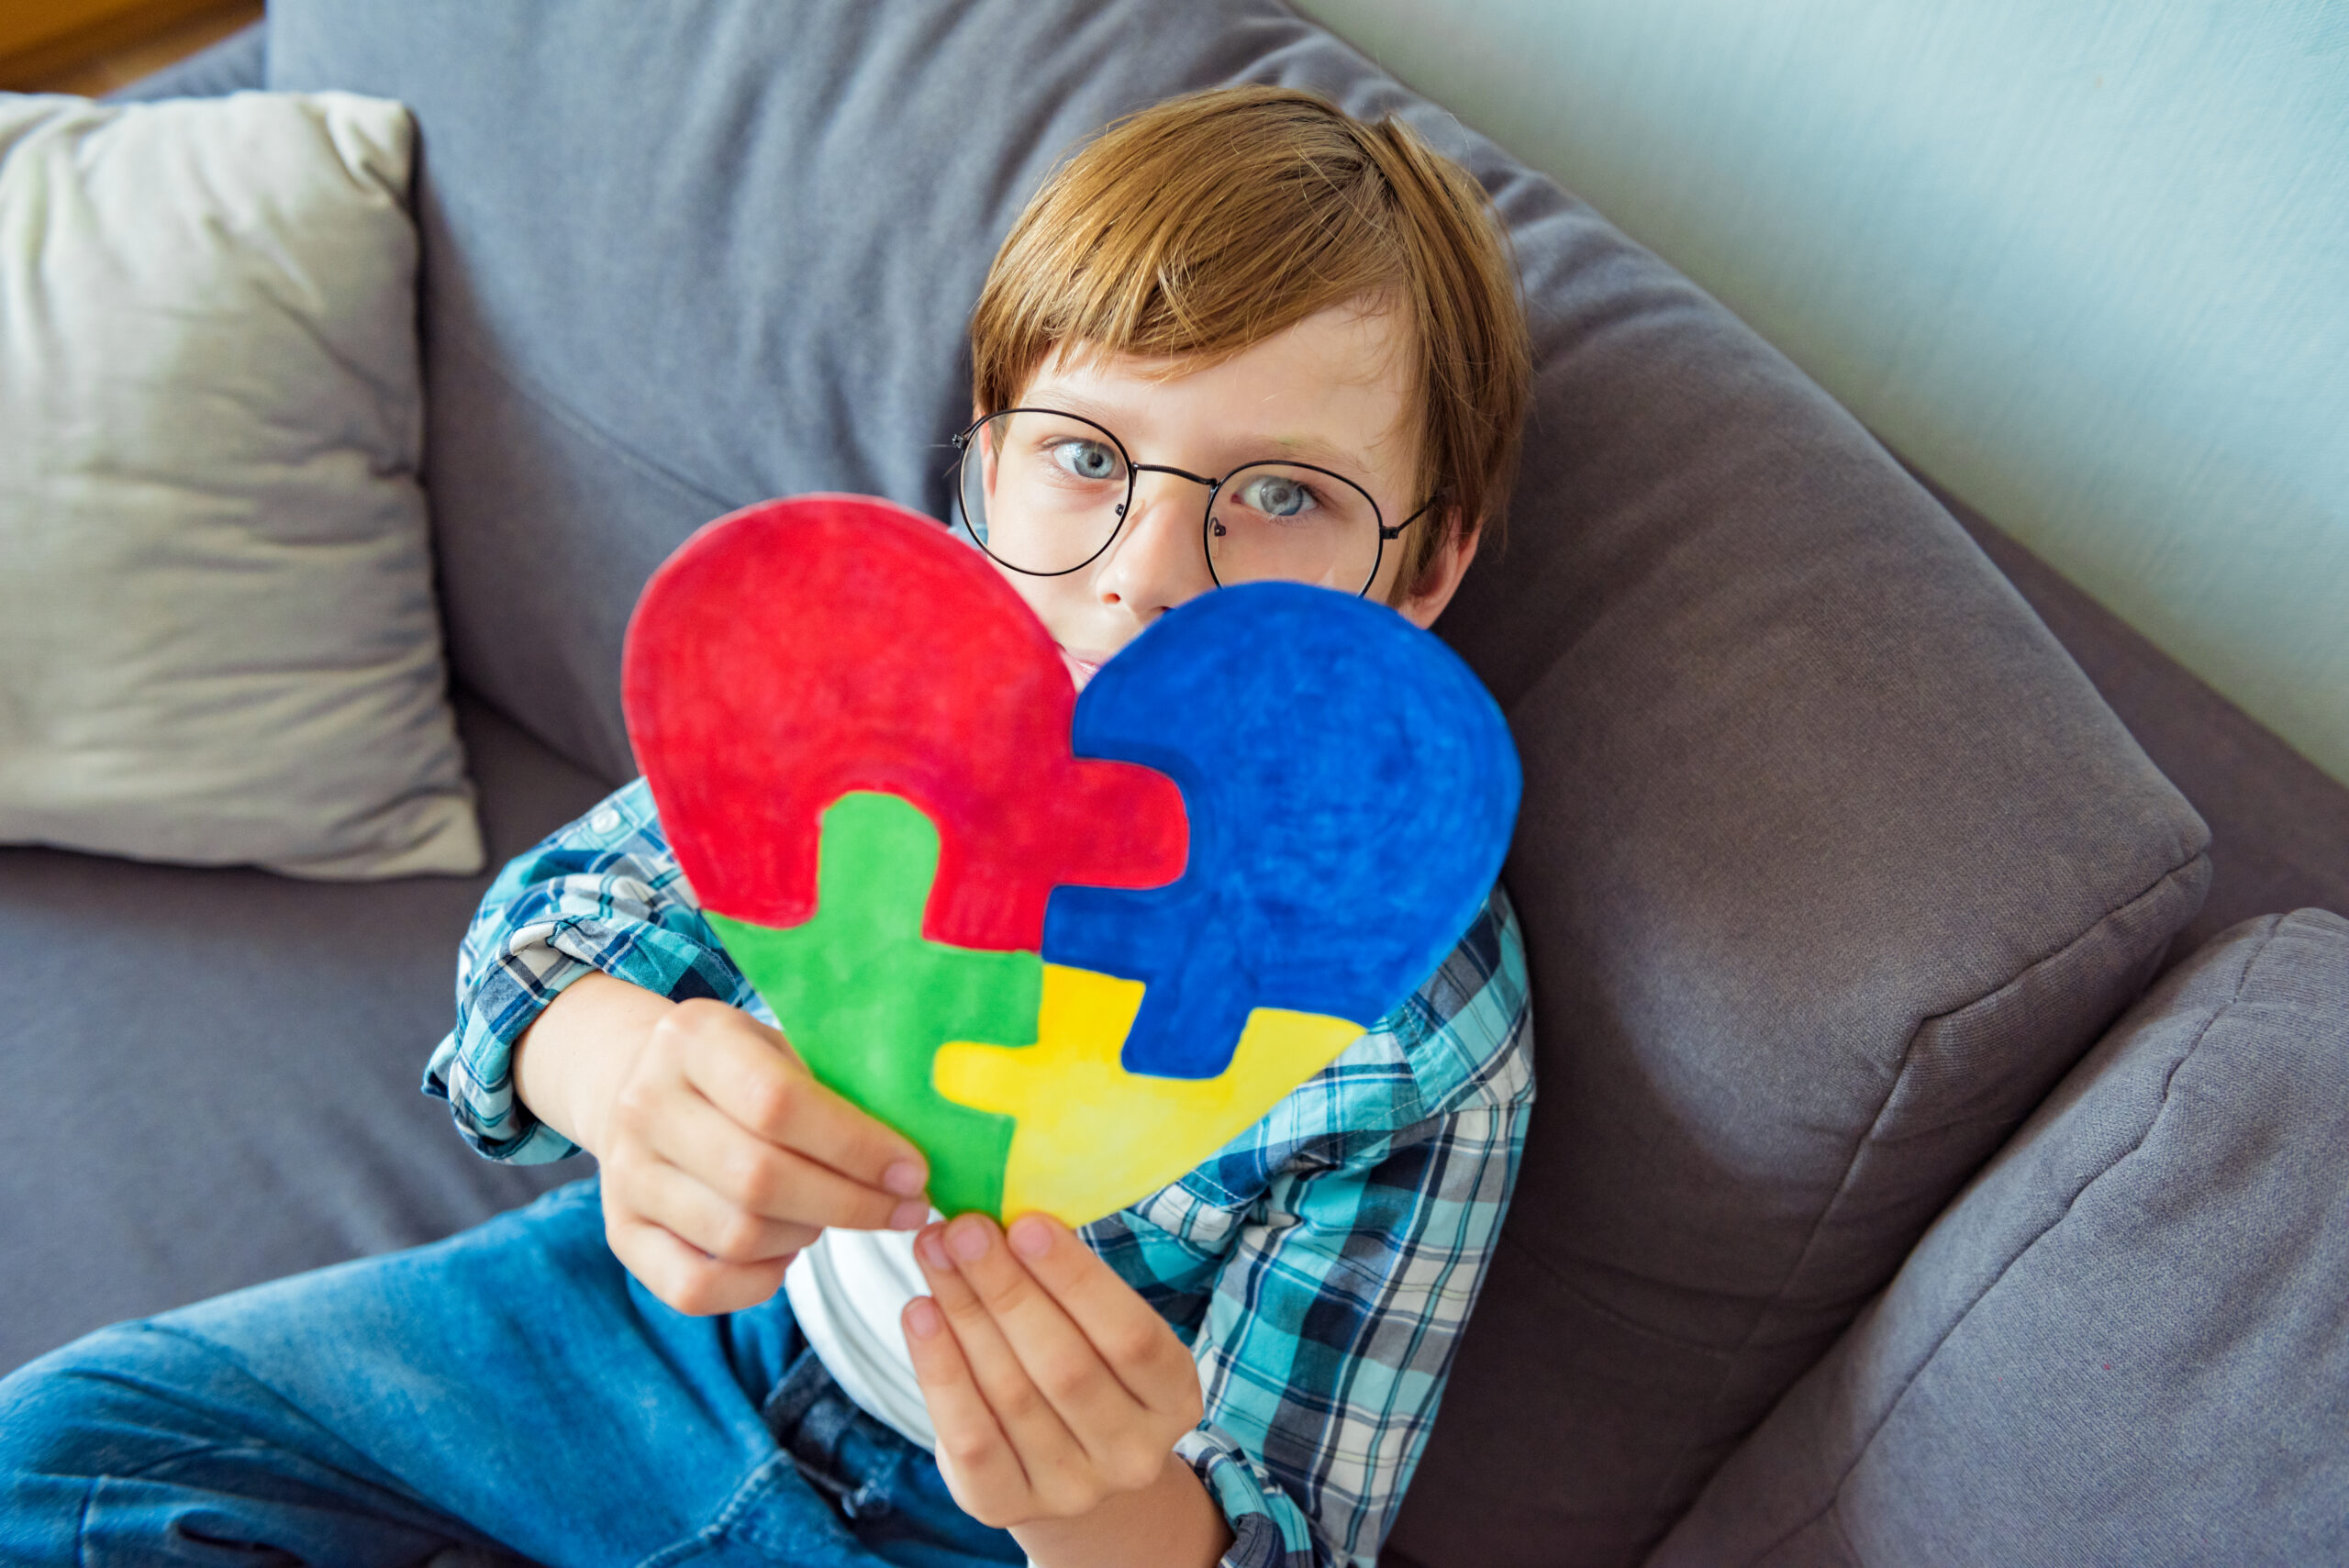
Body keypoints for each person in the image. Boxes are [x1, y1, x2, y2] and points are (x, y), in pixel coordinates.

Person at [0, 84, 1534, 1568]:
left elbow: (1282, 1532)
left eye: (1280, 494)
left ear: (1424, 570)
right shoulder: (894, 688)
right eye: (1085, 458)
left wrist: (1099, 1507)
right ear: (988, 461)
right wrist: (627, 1077)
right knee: (56, 1454)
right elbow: (549, 939)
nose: (1142, 575)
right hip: (649, 1327)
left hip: (980, 1532)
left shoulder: (1422, 1026)